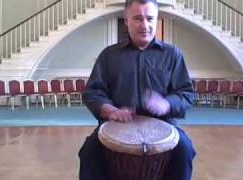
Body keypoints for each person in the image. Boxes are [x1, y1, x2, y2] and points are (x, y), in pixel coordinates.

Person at [78, 0, 196, 179]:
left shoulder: (173, 55)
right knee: (88, 152)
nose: (145, 25)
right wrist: (110, 110)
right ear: (126, 20)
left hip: (164, 125)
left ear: (156, 19)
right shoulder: (108, 55)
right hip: (115, 125)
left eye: (150, 18)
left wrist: (167, 104)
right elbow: (93, 92)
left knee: (185, 150)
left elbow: (186, 94)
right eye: (138, 18)